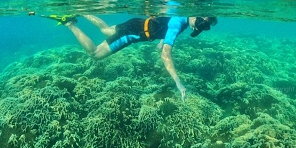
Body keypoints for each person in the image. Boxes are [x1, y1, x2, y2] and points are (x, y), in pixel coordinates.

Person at [62, 15, 217, 100]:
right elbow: (166, 54)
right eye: (201, 23)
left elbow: (166, 23)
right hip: (133, 33)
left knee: (106, 30)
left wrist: (162, 39)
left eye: (205, 27)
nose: (198, 28)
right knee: (95, 54)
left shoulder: (183, 17)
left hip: (136, 23)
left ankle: (81, 11)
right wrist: (179, 83)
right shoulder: (178, 23)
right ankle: (69, 23)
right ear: (198, 15)